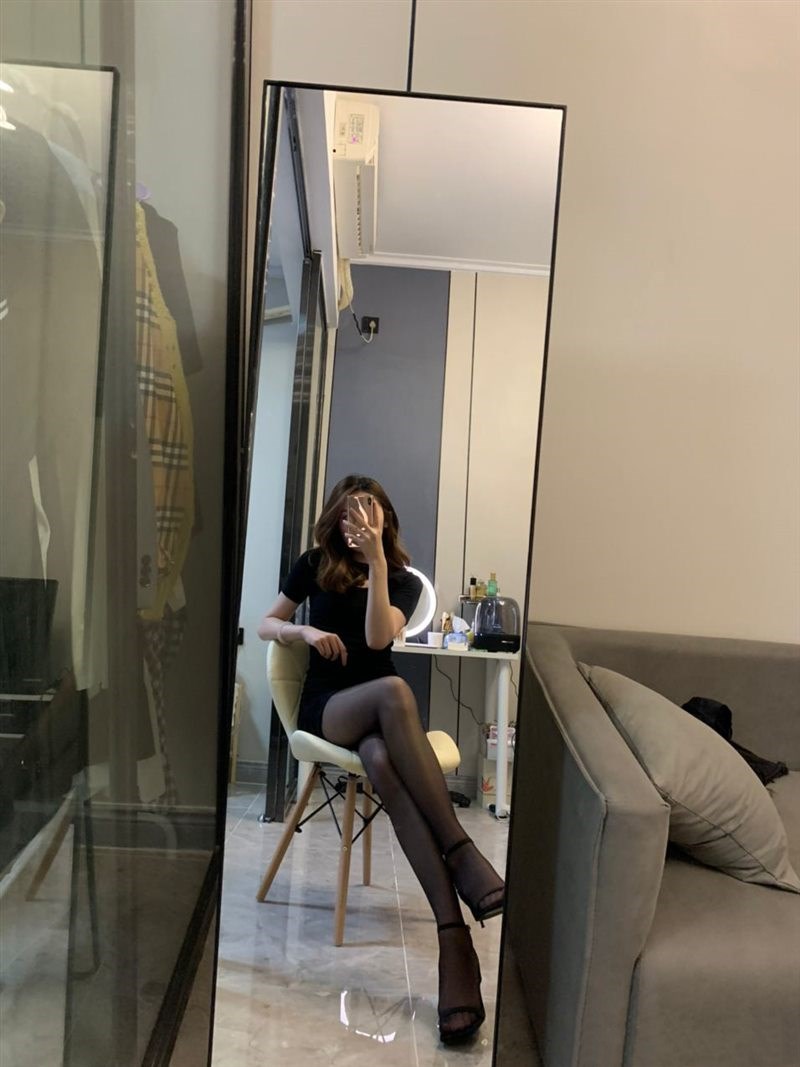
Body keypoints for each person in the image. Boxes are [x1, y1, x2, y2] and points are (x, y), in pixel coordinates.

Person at [258, 473, 505, 1045]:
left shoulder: (403, 581)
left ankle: (453, 939)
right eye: (349, 513)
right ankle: (461, 851)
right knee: (395, 692)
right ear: (335, 519)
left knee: (382, 758)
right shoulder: (314, 564)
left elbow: (376, 640)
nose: (358, 523)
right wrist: (304, 631)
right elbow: (268, 622)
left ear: (385, 521)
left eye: (369, 513)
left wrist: (375, 563)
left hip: (380, 724)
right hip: (329, 707)